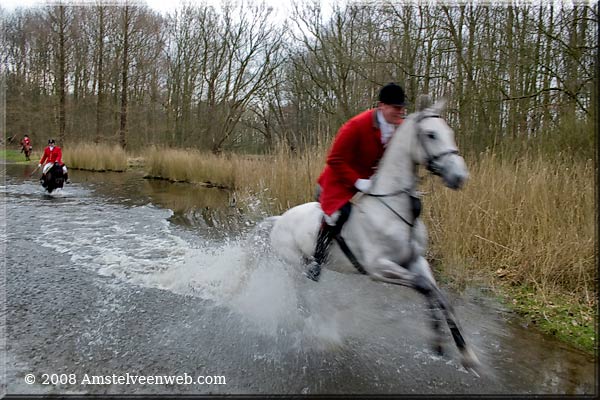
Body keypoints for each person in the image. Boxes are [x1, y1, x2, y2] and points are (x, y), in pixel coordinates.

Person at [306, 82, 407, 281]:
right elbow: (334, 160)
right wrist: (357, 181)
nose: (400, 112)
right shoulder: (355, 125)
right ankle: (316, 261)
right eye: (396, 108)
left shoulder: (399, 127)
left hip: (370, 182)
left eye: (402, 108)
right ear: (382, 106)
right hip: (336, 181)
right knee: (340, 214)